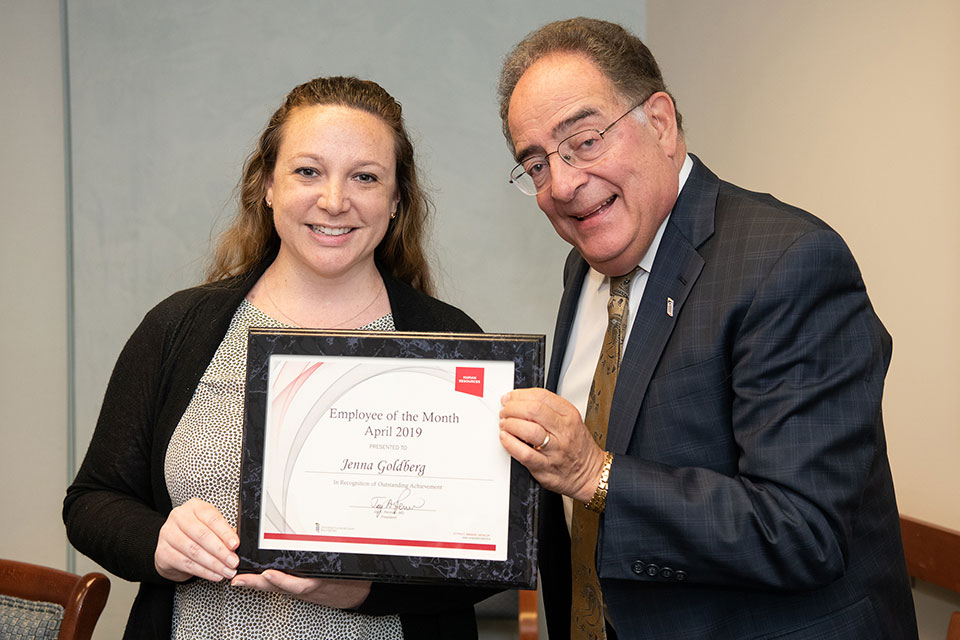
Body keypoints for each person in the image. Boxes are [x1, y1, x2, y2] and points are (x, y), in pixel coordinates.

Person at [495, 17, 917, 640]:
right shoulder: (582, 271)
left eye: (583, 140)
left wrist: (594, 474)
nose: (561, 184)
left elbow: (802, 531)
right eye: (534, 164)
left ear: (660, 123)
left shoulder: (788, 262)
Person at [63, 76, 492, 639]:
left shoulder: (449, 342)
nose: (334, 200)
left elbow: (491, 551)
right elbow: (93, 500)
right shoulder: (178, 329)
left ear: (395, 201)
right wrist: (158, 543)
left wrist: (362, 588)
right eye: (307, 171)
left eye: (365, 177)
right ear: (267, 185)